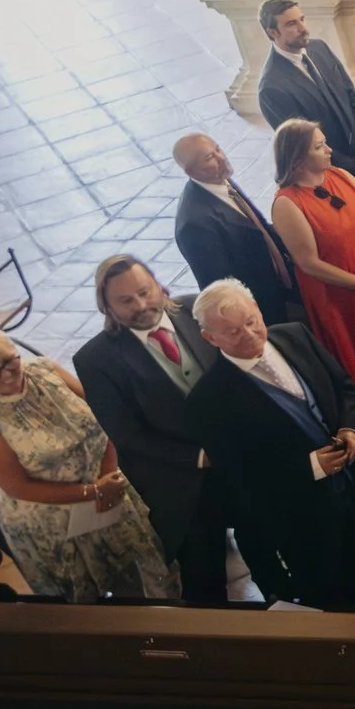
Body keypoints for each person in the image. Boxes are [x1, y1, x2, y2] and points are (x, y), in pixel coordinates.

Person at [184, 279, 355, 609]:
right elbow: (241, 479)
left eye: (251, 321)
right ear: (210, 338)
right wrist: (310, 467)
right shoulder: (208, 401)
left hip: (352, 489)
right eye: (233, 331)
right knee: (329, 595)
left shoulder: (295, 335)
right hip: (299, 518)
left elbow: (345, 390)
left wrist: (351, 430)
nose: (249, 334)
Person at [73, 257, 232, 602]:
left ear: (158, 284)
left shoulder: (195, 309)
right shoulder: (94, 360)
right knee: (204, 575)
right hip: (179, 476)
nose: (141, 305)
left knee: (268, 536)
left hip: (237, 455)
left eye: (145, 292)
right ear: (107, 306)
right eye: (125, 301)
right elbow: (128, 436)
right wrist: (199, 457)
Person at [0, 325, 175, 602]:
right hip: (53, 519)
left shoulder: (44, 371)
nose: (6, 373)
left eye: (9, 360)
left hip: (106, 485)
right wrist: (93, 492)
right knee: (81, 599)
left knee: (142, 570)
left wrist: (108, 473)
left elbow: (103, 413)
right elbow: (18, 487)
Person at [269, 117, 355, 392]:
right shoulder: (287, 203)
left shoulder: (342, 176)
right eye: (319, 146)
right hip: (341, 297)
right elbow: (308, 263)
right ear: (297, 158)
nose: (329, 150)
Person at [172, 133, 301, 326]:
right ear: (191, 171)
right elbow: (221, 286)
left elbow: (258, 226)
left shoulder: (219, 179)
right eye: (209, 158)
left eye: (217, 149)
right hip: (262, 306)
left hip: (280, 284)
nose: (221, 158)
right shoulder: (195, 224)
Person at [255, 0, 355, 191]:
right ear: (273, 33)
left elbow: (351, 96)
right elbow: (303, 145)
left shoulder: (319, 48)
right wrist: (352, 168)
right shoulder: (271, 88)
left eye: (302, 19)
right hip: (332, 176)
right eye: (291, 24)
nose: (302, 28)